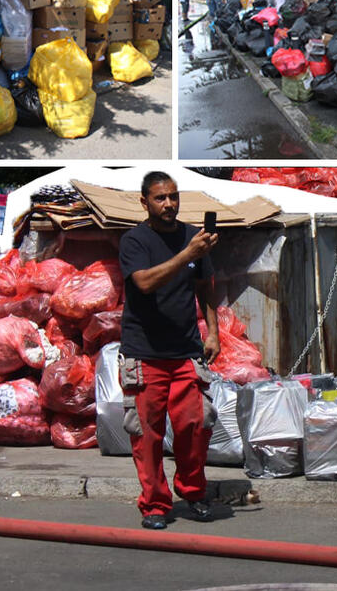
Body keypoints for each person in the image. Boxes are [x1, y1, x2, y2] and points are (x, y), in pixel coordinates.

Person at [119, 171, 220, 530]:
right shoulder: (134, 241)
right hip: (144, 353)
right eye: (161, 198)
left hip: (186, 351)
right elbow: (144, 282)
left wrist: (213, 333)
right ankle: (155, 505)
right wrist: (186, 254)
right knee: (147, 435)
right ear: (144, 201)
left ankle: (192, 492)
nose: (169, 204)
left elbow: (204, 286)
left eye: (174, 197)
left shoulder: (194, 237)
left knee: (195, 424)